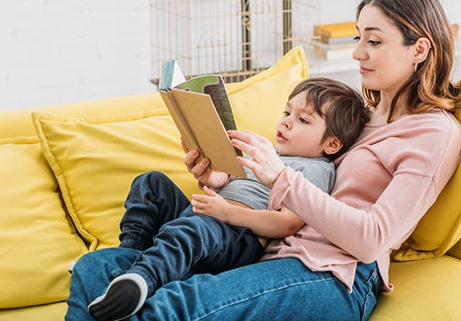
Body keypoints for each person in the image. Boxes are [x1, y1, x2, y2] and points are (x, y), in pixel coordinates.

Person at [66, 0, 461, 321]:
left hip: (333, 275)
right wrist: (220, 178)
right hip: (265, 250)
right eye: (358, 37)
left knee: (172, 306)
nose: (358, 52)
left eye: (374, 41)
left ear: (420, 49)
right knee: (95, 268)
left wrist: (280, 178)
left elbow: (372, 239)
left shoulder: (433, 132)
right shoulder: (364, 114)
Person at [85, 77, 370, 321]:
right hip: (212, 218)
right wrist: (219, 181)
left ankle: (144, 278)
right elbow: (235, 184)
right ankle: (129, 264)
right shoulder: (269, 152)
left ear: (331, 144)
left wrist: (227, 213)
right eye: (287, 111)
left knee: (195, 229)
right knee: (151, 184)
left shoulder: (314, 169)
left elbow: (288, 224)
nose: (286, 122)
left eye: (303, 119)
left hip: (238, 237)